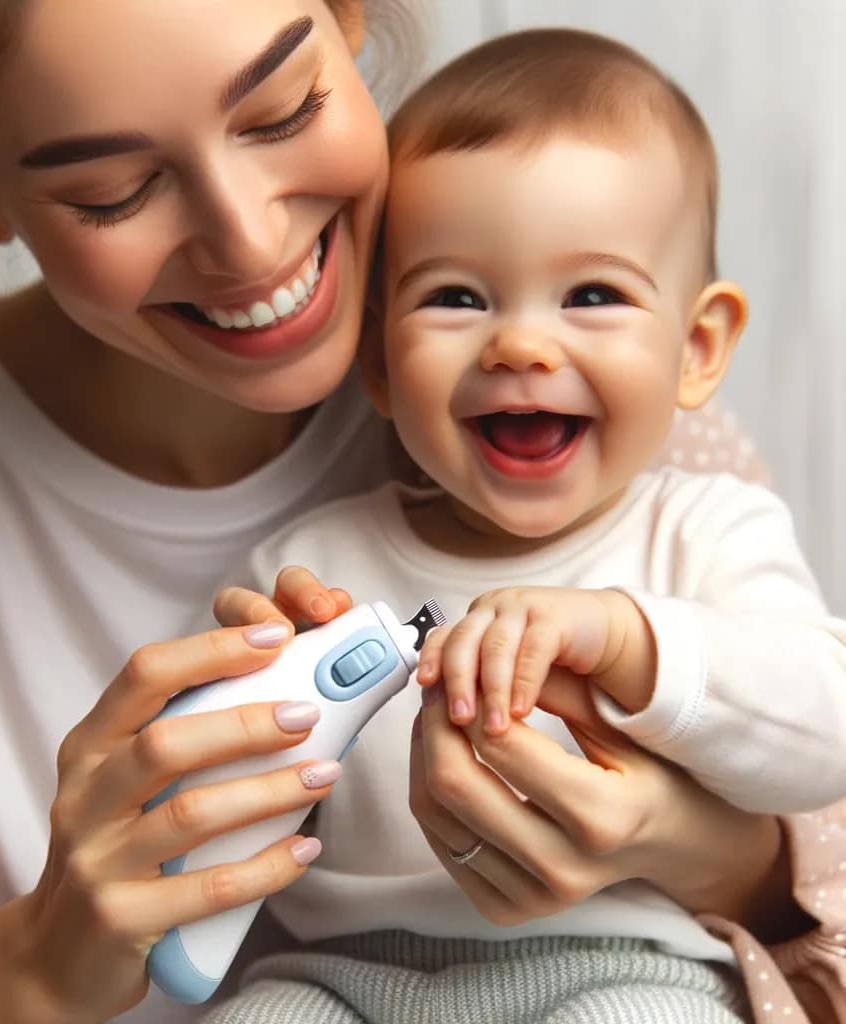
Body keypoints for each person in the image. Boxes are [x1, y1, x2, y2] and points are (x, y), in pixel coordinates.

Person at [0, 4, 840, 1024]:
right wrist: (31, 968)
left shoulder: (635, 442)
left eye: (279, 109)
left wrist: (706, 852)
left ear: (345, 17)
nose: (250, 241)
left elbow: (818, 797)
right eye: (113, 190)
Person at [216, 27, 846, 1024]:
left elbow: (823, 728)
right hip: (336, 973)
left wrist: (631, 640)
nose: (518, 341)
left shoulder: (705, 531)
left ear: (696, 345)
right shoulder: (311, 565)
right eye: (455, 297)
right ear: (377, 365)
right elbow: (229, 814)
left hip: (626, 963)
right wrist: (255, 693)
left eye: (591, 294)